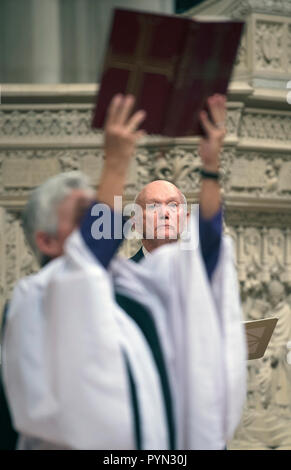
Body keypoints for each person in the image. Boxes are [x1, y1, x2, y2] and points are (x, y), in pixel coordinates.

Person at [1, 94, 247, 450]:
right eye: (87, 217)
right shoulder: (34, 298)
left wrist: (210, 168)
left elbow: (206, 256)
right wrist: (115, 164)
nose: (99, 223)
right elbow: (94, 251)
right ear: (47, 241)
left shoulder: (131, 289)